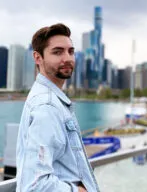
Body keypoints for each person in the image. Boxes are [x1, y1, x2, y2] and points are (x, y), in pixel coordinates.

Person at [16, 23, 100, 192]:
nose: (67, 58)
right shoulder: (46, 106)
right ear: (38, 58)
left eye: (71, 51)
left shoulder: (50, 98)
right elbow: (34, 186)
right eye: (57, 52)